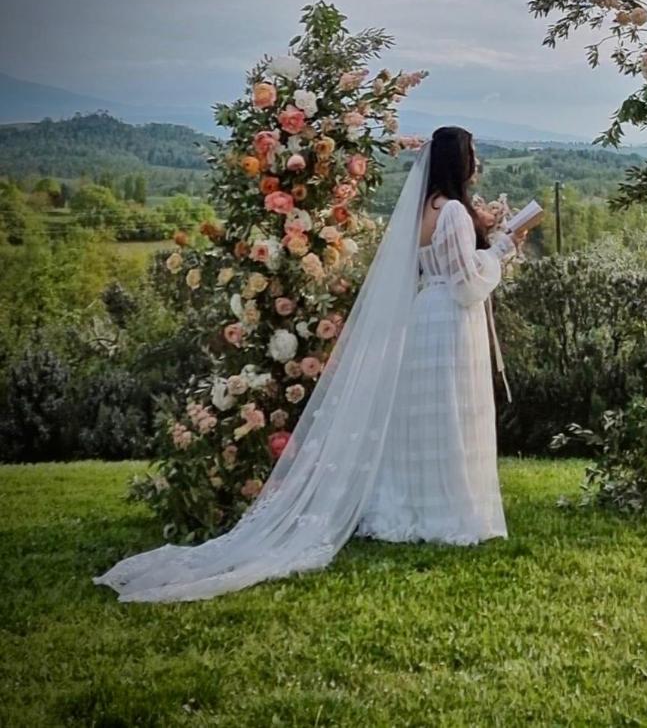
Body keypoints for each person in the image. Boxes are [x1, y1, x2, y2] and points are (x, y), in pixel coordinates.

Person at [93, 126, 526, 602]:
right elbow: (467, 281)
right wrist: (503, 249)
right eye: (473, 153)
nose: (477, 161)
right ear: (458, 161)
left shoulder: (425, 211)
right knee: (454, 415)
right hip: (450, 321)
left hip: (424, 318)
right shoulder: (458, 214)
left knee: (426, 419)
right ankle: (453, 513)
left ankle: (416, 509)